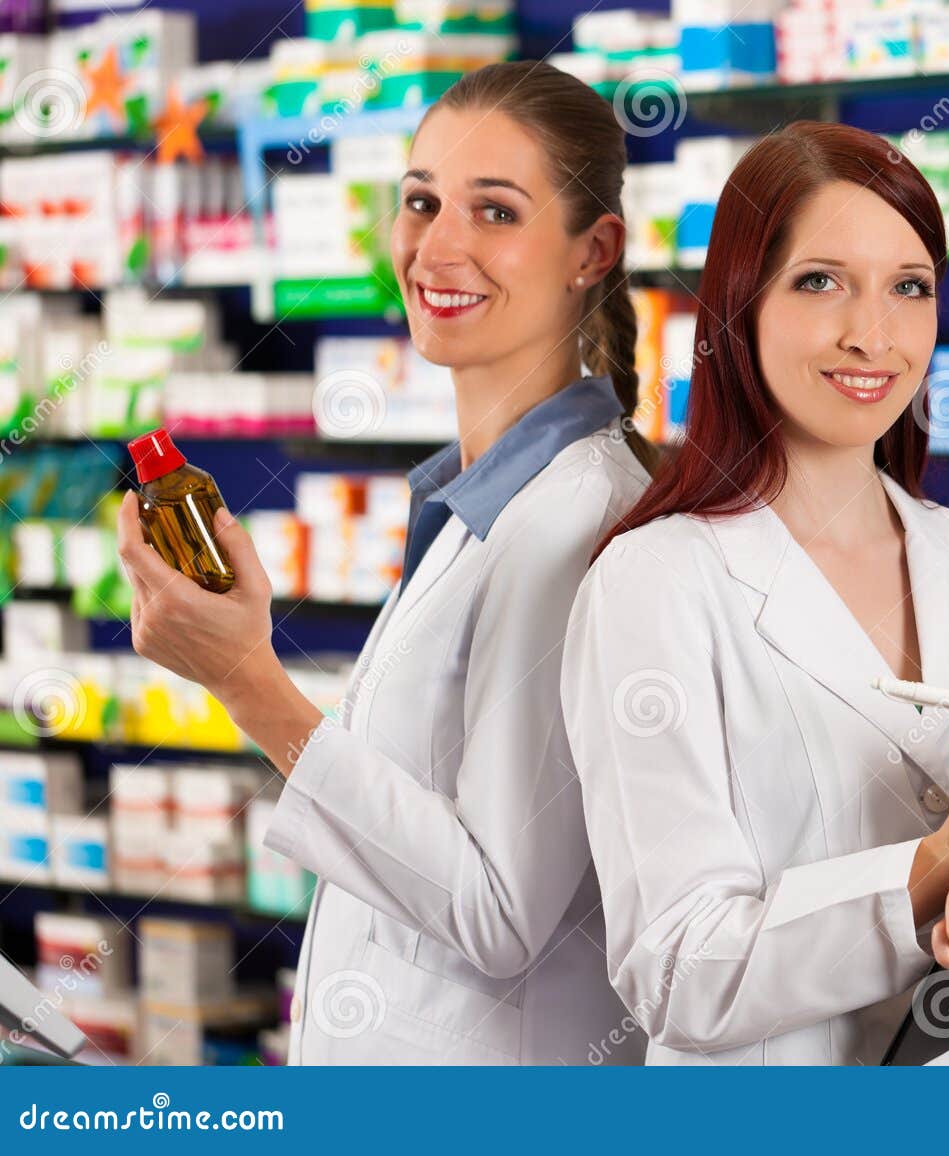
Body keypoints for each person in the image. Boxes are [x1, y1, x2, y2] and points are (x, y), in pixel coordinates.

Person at [562, 121, 949, 1065]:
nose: (871, 334)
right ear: (738, 306)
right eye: (820, 281)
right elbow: (676, 974)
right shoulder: (656, 583)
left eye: (908, 288)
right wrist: (934, 864)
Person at [114, 61, 653, 1065]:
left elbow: (498, 910)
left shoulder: (574, 524)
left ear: (594, 252)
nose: (437, 245)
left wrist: (246, 680)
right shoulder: (480, 502)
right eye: (421, 201)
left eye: (494, 211)